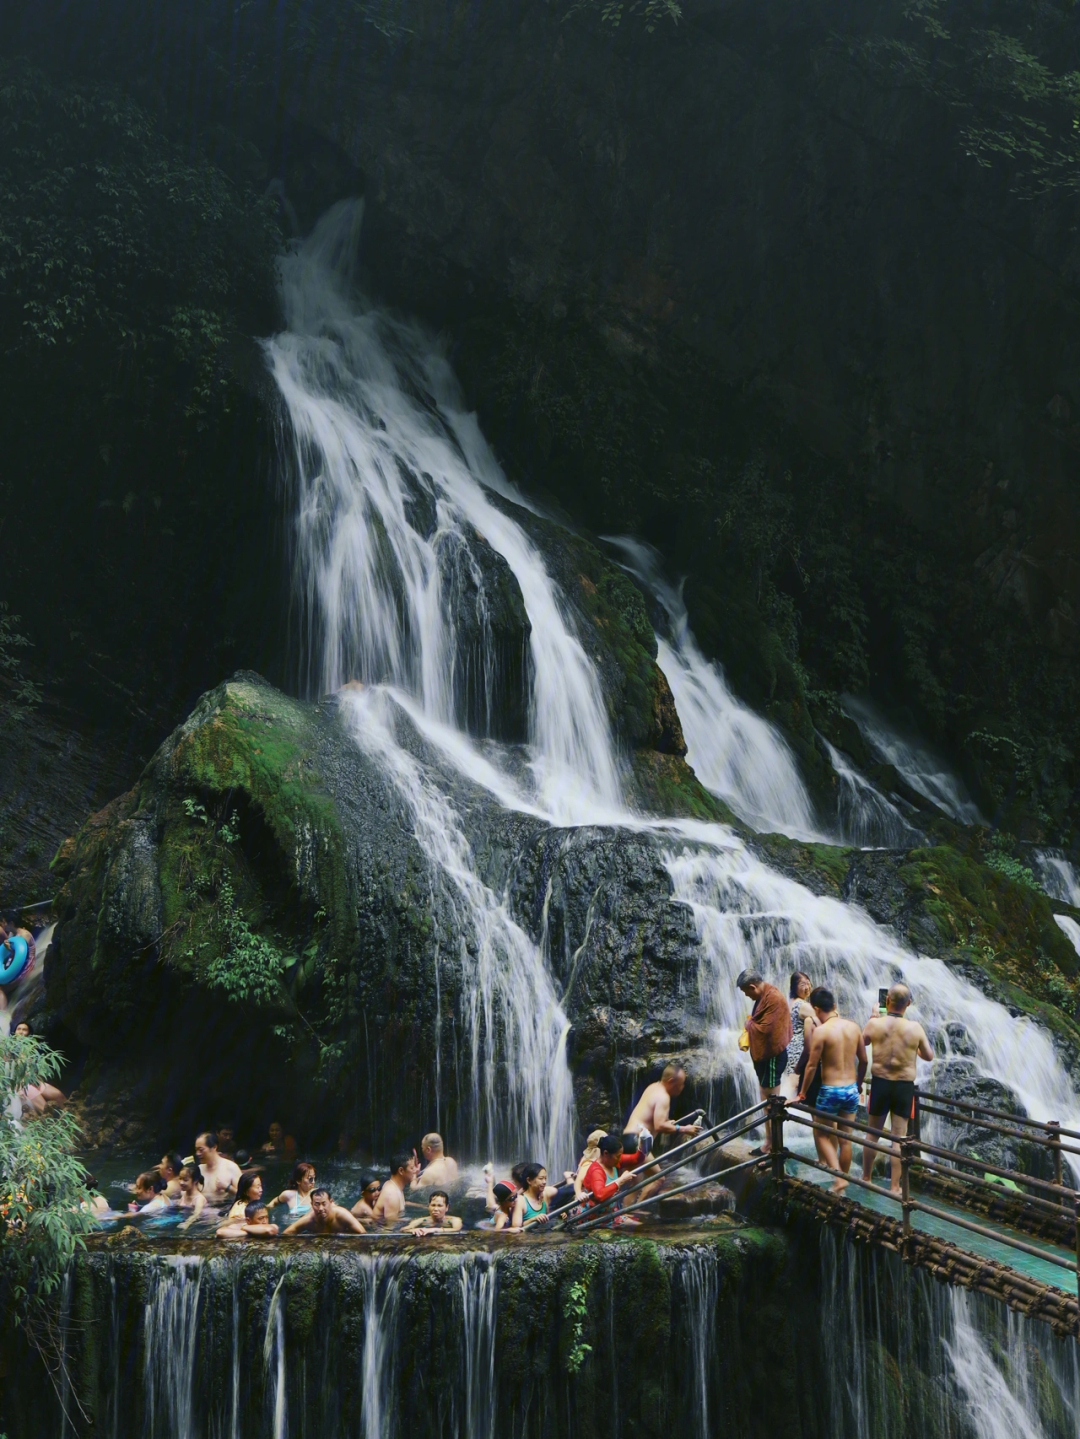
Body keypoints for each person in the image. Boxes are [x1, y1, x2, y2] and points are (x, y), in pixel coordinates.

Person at [861, 983, 935, 1195]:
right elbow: (929, 1056)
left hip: (880, 1083)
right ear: (908, 1004)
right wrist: (912, 1050)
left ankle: (866, 1178)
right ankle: (895, 1187)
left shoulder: (875, 1024)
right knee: (898, 1138)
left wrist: (873, 1017)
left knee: (872, 1133)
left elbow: (862, 1041)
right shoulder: (915, 1028)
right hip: (904, 1086)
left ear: (887, 1001)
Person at [796, 987, 868, 1193]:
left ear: (817, 1009)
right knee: (845, 1138)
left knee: (821, 1135)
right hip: (851, 1090)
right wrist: (859, 1083)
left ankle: (838, 1178)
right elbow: (864, 1060)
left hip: (830, 1090)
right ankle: (841, 1186)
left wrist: (802, 1093)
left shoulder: (821, 1031)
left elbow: (811, 1066)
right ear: (834, 1006)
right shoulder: (854, 1027)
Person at [737, 970, 793, 1154]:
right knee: (767, 1100)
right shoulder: (764, 996)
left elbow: (768, 1030)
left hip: (772, 1057)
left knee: (771, 1103)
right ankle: (770, 1143)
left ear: (753, 986)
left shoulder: (774, 998)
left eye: (746, 992)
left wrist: (748, 1025)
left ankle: (772, 1145)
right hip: (768, 1058)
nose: (747, 996)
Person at [624, 1065, 703, 1145]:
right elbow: (659, 1126)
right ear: (671, 1081)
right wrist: (685, 1129)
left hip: (628, 1137)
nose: (682, 1087)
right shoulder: (663, 1097)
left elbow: (651, 1116)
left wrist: (667, 1122)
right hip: (637, 1140)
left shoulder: (653, 1087)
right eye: (681, 1084)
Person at [581, 1134, 641, 1223]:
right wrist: (620, 1181)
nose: (620, 1159)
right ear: (606, 1153)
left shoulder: (613, 1161)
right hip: (595, 1216)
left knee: (638, 1223)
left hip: (610, 1211)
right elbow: (600, 1195)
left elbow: (636, 1159)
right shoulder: (597, 1171)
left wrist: (644, 1143)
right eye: (618, 1156)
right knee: (637, 1226)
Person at [784, 972, 816, 1099]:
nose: (807, 987)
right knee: (799, 1088)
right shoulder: (802, 1005)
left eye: (809, 983)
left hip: (789, 1051)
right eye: (803, 984)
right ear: (794, 986)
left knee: (792, 1088)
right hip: (800, 1052)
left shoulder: (789, 1002)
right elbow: (824, 1018)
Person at [283, 1187, 366, 1235]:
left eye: (324, 1203)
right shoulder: (309, 1219)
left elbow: (363, 1233)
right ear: (312, 1204)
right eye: (317, 1204)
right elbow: (287, 1233)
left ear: (331, 1202)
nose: (321, 1208)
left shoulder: (342, 1214)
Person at [194, 1132, 241, 1205]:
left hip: (223, 1210)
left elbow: (244, 1196)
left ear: (214, 1147)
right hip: (202, 1211)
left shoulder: (231, 1167)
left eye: (201, 1150)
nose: (198, 1153)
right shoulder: (198, 1170)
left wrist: (227, 1187)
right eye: (196, 1150)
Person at [372, 1153, 419, 1227]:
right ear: (401, 1171)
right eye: (412, 1168)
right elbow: (390, 1228)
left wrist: (423, 1207)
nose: (416, 1170)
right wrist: (419, 1221)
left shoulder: (394, 1185)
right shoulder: (392, 1194)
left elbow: (403, 1203)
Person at [510, 1164, 552, 1230]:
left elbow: (549, 1218)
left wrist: (560, 1215)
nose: (544, 1182)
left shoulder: (544, 1196)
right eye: (541, 1179)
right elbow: (516, 1228)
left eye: (545, 1178)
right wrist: (534, 1219)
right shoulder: (520, 1201)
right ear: (529, 1180)